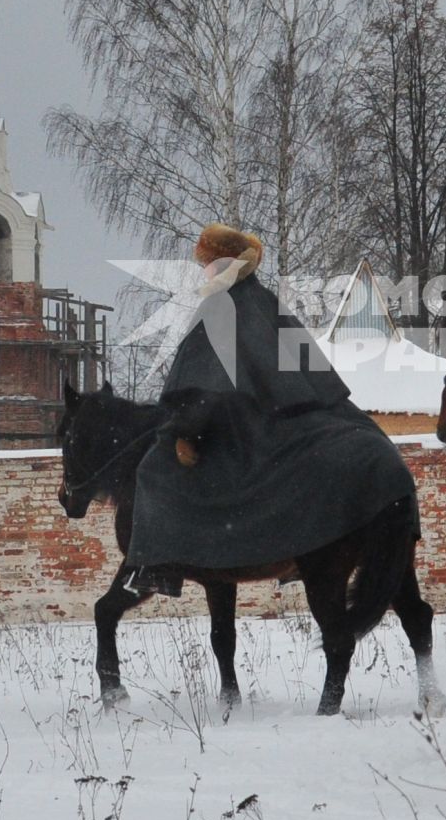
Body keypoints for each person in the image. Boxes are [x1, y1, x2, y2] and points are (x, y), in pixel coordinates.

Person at [124, 223, 418, 590]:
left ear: (220, 263)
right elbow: (307, 372)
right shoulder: (264, 301)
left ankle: (157, 567)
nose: (204, 271)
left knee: (153, 470)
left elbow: (203, 386)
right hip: (288, 419)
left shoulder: (219, 306)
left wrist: (183, 430)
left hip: (243, 428)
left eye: (207, 263)